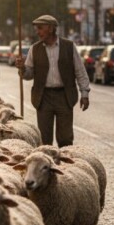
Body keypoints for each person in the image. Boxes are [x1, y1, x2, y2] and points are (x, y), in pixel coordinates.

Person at [15, 15, 91, 147]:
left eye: (40, 28)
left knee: (65, 138)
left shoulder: (69, 46)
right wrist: (22, 68)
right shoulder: (35, 49)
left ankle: (66, 165)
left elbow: (80, 71)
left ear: (50, 29)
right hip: (43, 98)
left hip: (64, 96)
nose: (37, 32)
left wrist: (84, 93)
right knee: (44, 139)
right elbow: (28, 75)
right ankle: (47, 164)